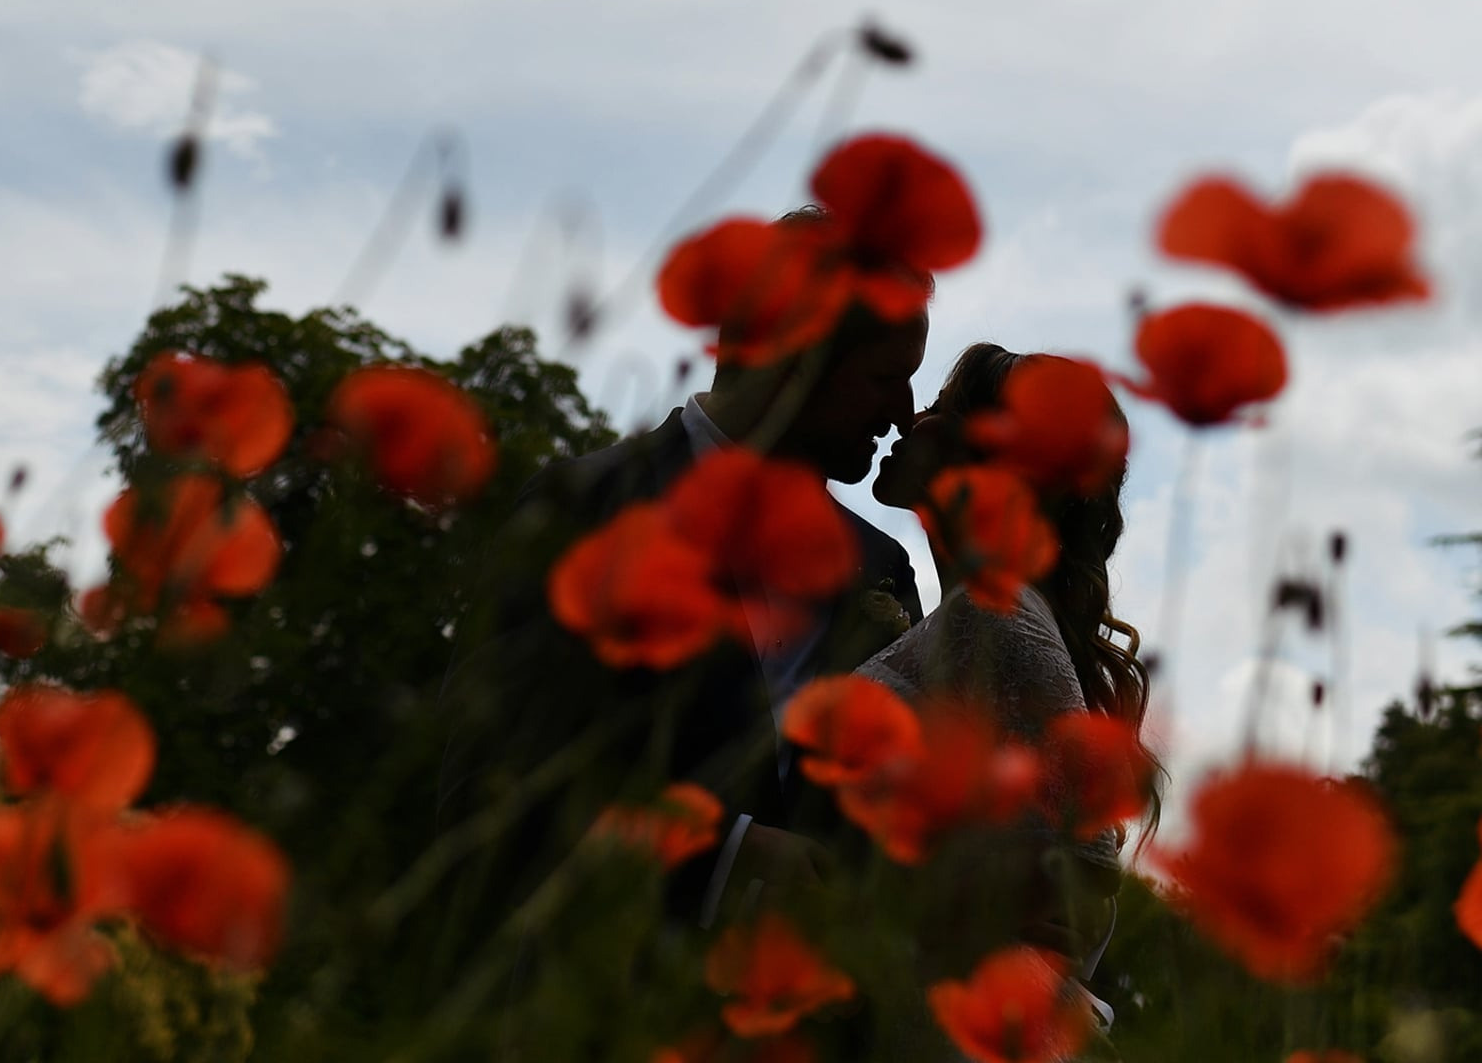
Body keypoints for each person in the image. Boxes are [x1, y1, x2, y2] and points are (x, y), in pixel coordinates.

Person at [427, 214, 932, 999]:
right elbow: (484, 786)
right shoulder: (585, 507)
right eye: (882, 377)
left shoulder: (881, 568)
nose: (903, 412)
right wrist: (719, 859)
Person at [861, 340, 1160, 1027]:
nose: (911, 417)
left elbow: (1072, 900)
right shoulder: (971, 619)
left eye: (941, 403)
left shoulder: (1000, 620)